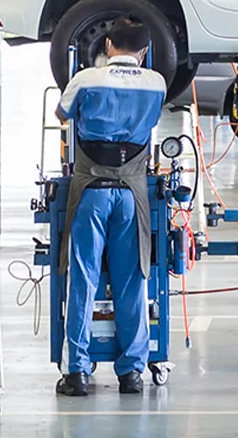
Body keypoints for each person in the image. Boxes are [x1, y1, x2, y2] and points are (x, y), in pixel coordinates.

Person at [54, 21, 166, 396]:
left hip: (90, 191)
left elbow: (62, 113)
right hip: (132, 196)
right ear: (145, 52)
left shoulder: (86, 79)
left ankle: (78, 373)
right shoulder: (156, 83)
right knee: (132, 280)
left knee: (83, 278)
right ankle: (132, 373)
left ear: (106, 43)